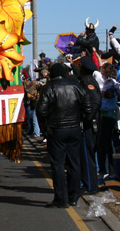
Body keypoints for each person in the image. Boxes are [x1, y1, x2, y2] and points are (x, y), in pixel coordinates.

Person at [36, 63, 94, 208]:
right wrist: (82, 121)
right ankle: (74, 196)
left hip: (56, 129)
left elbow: (41, 110)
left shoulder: (49, 88)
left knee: (57, 164)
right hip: (74, 128)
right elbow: (88, 107)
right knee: (74, 162)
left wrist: (45, 128)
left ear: (52, 74)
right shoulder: (76, 87)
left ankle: (61, 198)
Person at [78, 56, 101, 194]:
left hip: (89, 124)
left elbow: (94, 101)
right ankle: (88, 183)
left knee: (87, 155)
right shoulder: (88, 81)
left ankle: (90, 186)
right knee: (87, 154)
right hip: (90, 122)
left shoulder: (88, 82)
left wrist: (86, 118)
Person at [97, 63, 120, 180]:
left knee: (106, 143)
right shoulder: (106, 82)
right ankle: (107, 169)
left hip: (108, 115)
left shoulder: (111, 83)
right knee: (105, 143)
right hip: (105, 114)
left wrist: (99, 93)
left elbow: (109, 95)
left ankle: (108, 170)